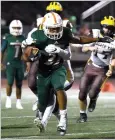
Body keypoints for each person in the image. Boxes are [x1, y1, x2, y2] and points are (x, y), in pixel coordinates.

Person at [23, 11, 103, 135]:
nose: (55, 32)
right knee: (44, 100)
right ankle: (44, 115)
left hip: (57, 67)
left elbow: (79, 39)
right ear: (44, 27)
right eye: (52, 29)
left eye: (57, 29)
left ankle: (63, 119)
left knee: (59, 88)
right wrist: (32, 53)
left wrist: (97, 38)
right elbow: (25, 55)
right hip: (43, 71)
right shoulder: (36, 35)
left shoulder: (65, 33)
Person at [77, 16, 115, 123]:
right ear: (102, 27)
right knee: (82, 92)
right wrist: (90, 47)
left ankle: (93, 99)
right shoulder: (95, 35)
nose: (108, 30)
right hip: (90, 66)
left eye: (110, 28)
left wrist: (111, 67)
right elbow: (83, 48)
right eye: (106, 27)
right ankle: (82, 114)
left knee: (92, 93)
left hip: (102, 70)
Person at [1, 20, 25, 109]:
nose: (16, 29)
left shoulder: (23, 38)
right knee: (10, 82)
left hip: (20, 63)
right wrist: (0, 62)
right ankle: (8, 99)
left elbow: (26, 53)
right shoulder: (7, 37)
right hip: (10, 63)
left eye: (18, 28)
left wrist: (28, 64)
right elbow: (2, 50)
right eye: (15, 27)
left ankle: (18, 102)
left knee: (19, 84)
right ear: (11, 28)